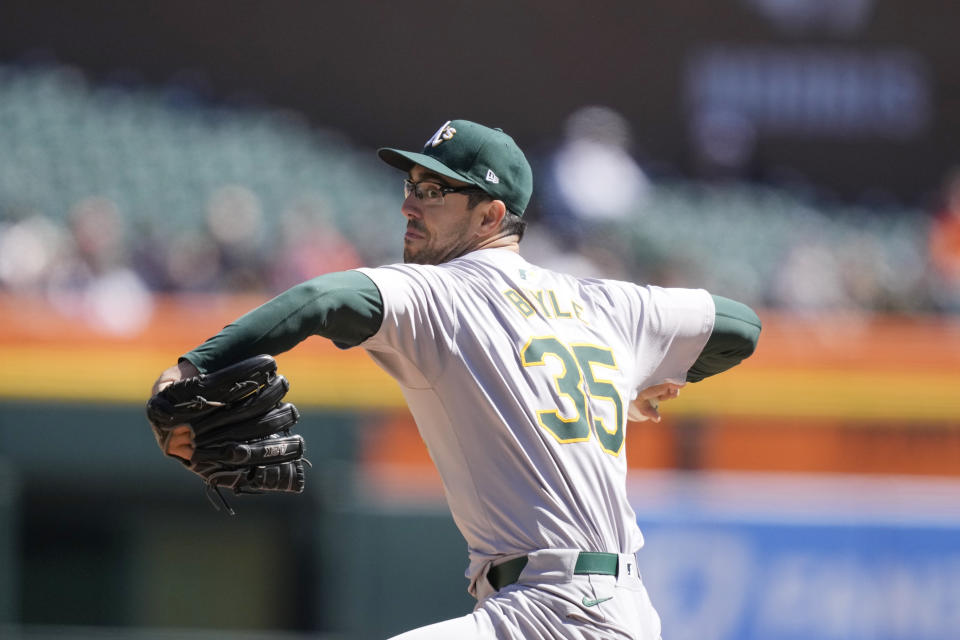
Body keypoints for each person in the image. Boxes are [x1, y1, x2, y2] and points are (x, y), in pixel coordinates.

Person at [151, 119, 761, 639]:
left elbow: (319, 298)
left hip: (553, 610)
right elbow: (740, 325)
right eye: (411, 185)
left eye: (435, 191)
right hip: (600, 610)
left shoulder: (444, 290)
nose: (408, 204)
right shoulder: (604, 304)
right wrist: (637, 377)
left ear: (490, 214)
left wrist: (191, 368)